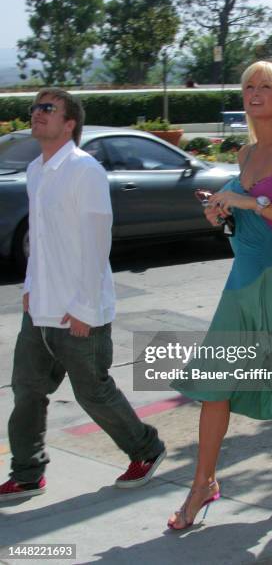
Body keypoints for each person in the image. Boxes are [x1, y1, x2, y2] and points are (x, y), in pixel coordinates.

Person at [168, 60, 272, 529]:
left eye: (266, 86)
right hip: (240, 284)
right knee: (213, 386)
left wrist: (248, 201)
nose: (255, 93)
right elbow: (253, 217)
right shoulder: (245, 153)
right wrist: (221, 211)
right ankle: (203, 485)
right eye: (249, 86)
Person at [0, 88, 165, 501]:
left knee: (92, 391)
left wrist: (85, 309)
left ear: (69, 123)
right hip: (40, 307)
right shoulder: (38, 170)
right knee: (27, 390)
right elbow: (40, 239)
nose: (36, 113)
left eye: (47, 108)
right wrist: (31, 288)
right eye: (34, 107)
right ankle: (27, 473)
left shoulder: (84, 170)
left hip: (79, 309)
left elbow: (95, 244)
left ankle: (147, 449)